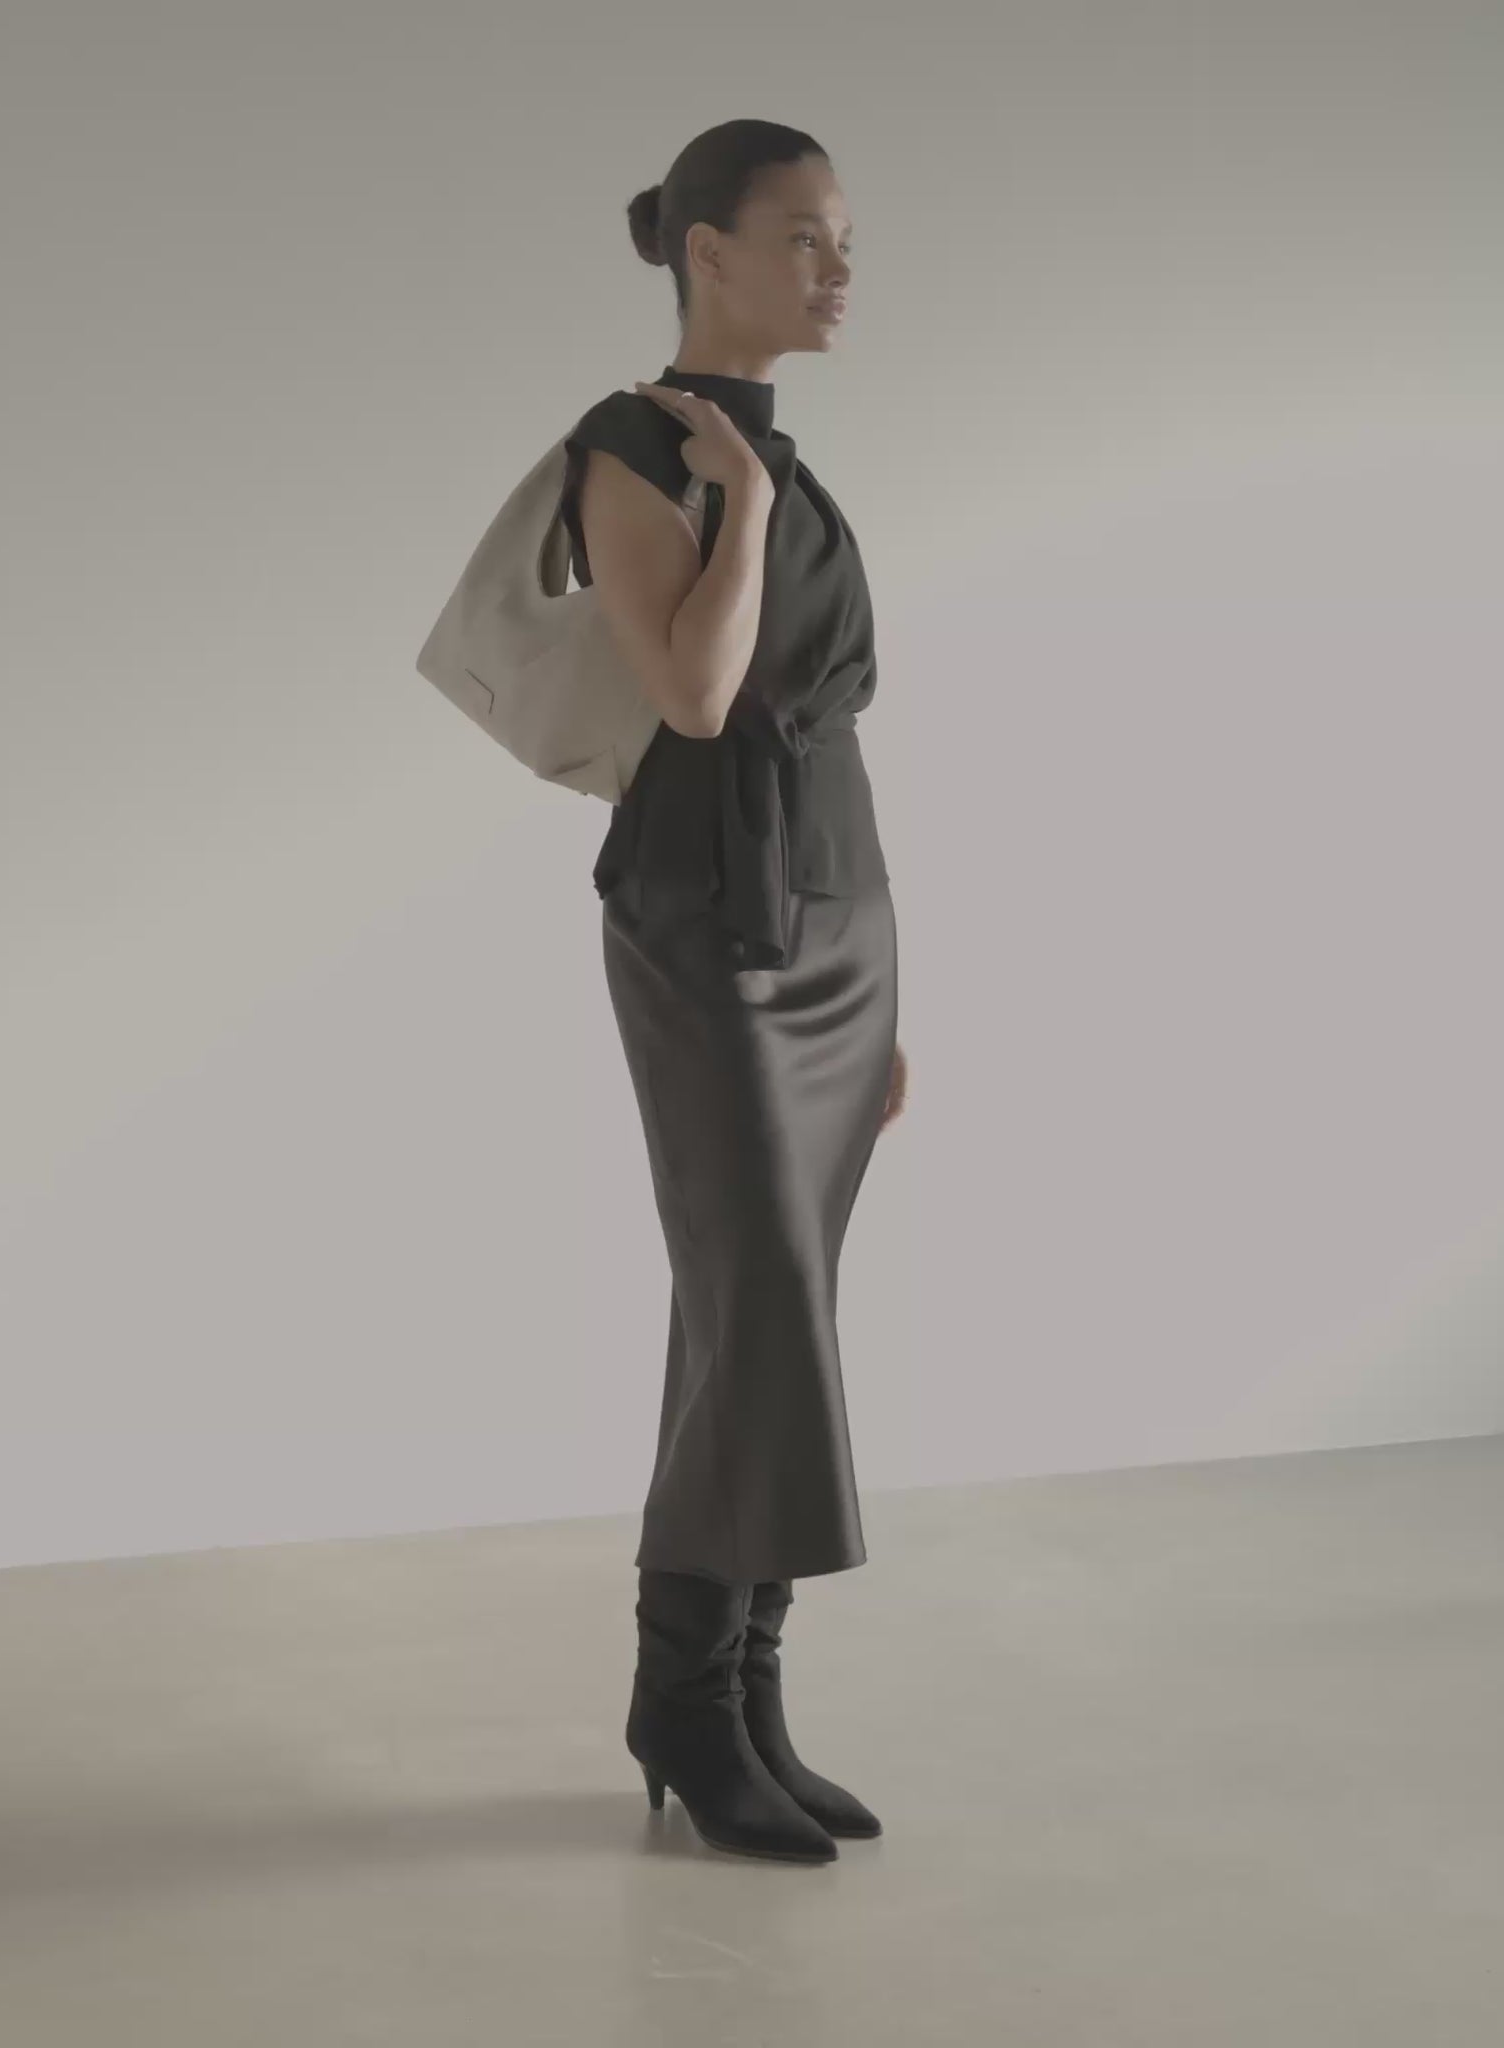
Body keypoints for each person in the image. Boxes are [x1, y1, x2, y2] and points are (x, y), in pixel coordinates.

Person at [559, 120, 908, 1863]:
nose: (839, 271)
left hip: (833, 917)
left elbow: (821, 724)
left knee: (780, 1313)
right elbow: (695, 699)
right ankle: (685, 1700)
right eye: (805, 238)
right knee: (754, 1305)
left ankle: (746, 1691)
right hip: (708, 920)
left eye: (845, 241)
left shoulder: (786, 457)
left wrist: (887, 998)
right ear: (708, 250)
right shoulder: (637, 447)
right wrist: (747, 506)